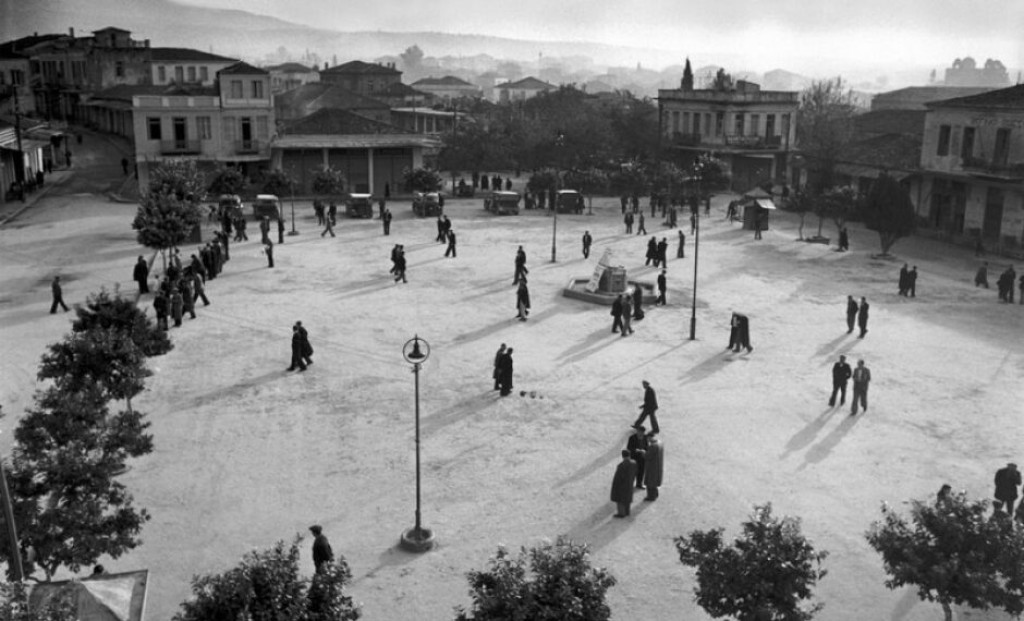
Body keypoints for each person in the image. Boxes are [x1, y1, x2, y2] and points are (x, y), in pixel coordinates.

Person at [610, 449, 637, 518]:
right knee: (627, 498)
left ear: (622, 456)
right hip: (630, 483)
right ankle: (627, 511)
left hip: (622, 485)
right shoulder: (634, 463)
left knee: (620, 499)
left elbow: (618, 478)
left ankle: (621, 513)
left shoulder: (621, 466)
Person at [627, 425, 648, 490]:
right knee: (633, 471)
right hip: (634, 457)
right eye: (640, 432)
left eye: (642, 432)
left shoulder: (645, 437)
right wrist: (636, 450)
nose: (641, 433)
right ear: (637, 431)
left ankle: (639, 484)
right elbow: (629, 447)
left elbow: (647, 446)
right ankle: (629, 485)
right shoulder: (632, 438)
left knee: (641, 471)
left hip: (642, 457)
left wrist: (645, 451)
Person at [643, 433, 663, 501]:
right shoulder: (660, 443)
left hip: (652, 466)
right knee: (654, 481)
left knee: (650, 482)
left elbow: (648, 456)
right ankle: (655, 493)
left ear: (649, 437)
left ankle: (651, 497)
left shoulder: (652, 446)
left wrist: (643, 453)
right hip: (658, 465)